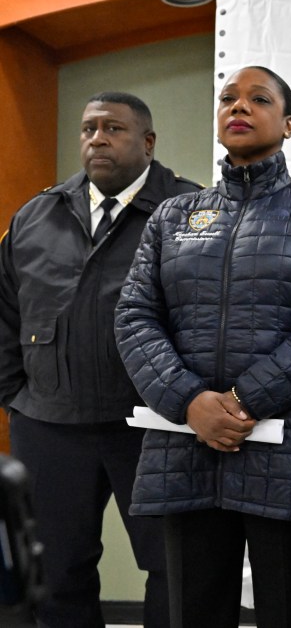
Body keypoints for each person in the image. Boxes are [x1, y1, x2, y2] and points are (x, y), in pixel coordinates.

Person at [114, 66, 291, 628]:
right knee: (195, 609)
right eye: (228, 98)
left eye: (258, 99)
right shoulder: (173, 215)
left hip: (286, 446)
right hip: (186, 445)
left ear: (290, 123)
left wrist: (243, 401)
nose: (239, 107)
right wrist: (190, 403)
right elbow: (134, 315)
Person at [0, 92, 199, 628]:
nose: (96, 139)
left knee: (175, 570)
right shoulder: (36, 215)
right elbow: (4, 313)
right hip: (48, 426)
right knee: (56, 574)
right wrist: (15, 397)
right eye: (89, 129)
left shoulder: (191, 211)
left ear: (148, 143)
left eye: (113, 128)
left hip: (153, 426)